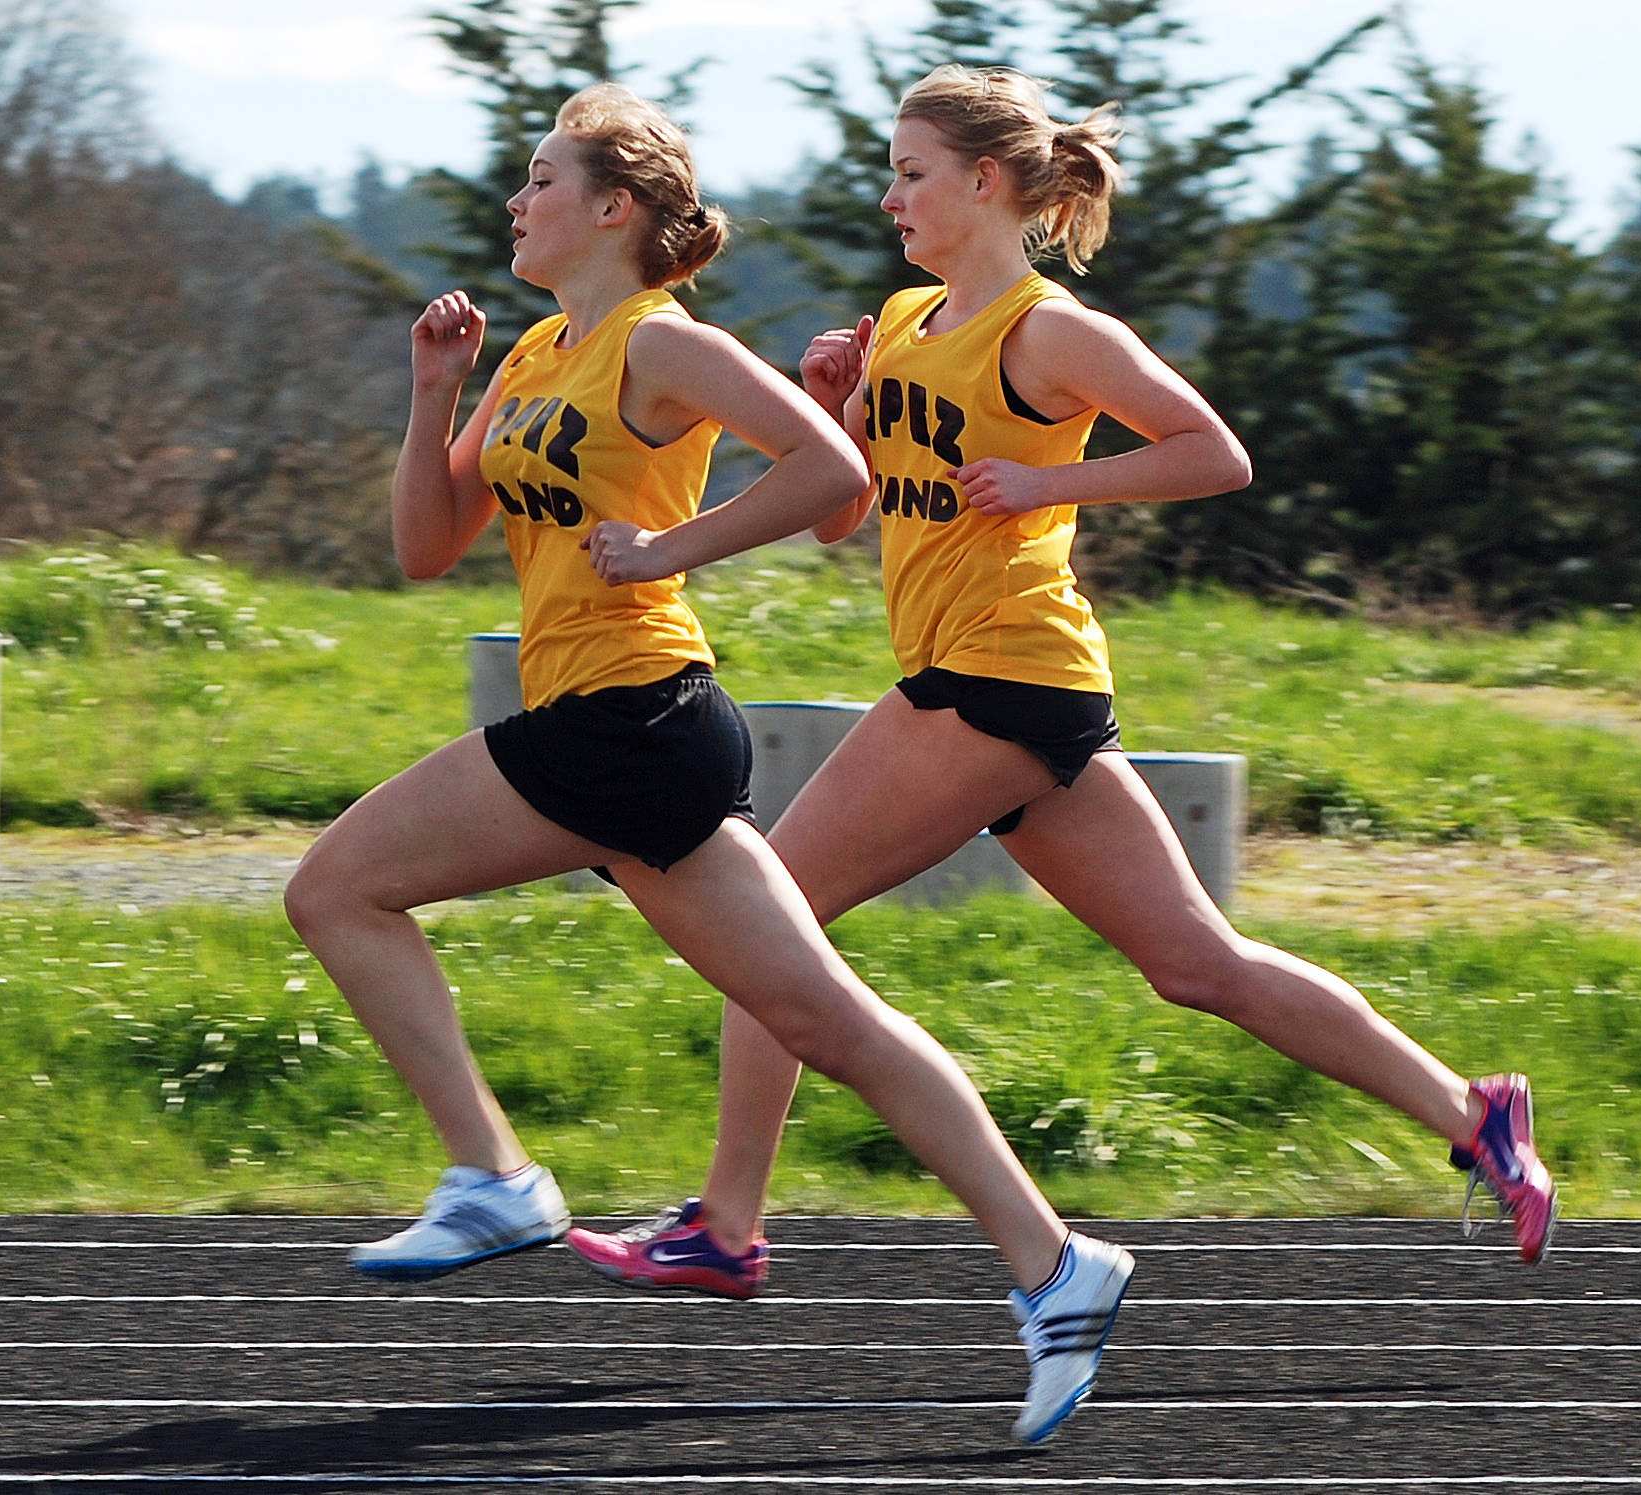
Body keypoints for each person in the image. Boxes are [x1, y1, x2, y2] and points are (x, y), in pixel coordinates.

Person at [566, 63, 1559, 1299]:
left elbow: (1216, 454)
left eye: (910, 173)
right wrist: (842, 403)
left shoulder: (1050, 330)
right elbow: (849, 523)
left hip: (996, 681)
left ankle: (724, 1224)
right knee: (1197, 964)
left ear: (983, 183)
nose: (890, 198)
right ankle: (1475, 1116)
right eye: (891, 173)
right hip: (1002, 685)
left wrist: (1050, 483)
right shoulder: (902, 324)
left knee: (774, 929)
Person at [281, 81, 1132, 1449]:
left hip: (624, 716)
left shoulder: (656, 347)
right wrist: (434, 389)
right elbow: (425, 546)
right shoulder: (531, 357)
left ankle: (495, 1172)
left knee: (334, 889)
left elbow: (831, 474)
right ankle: (1055, 1264)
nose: (516, 200)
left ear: (611, 209)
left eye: (541, 179)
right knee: (825, 1023)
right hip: (626, 730)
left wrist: (671, 551)